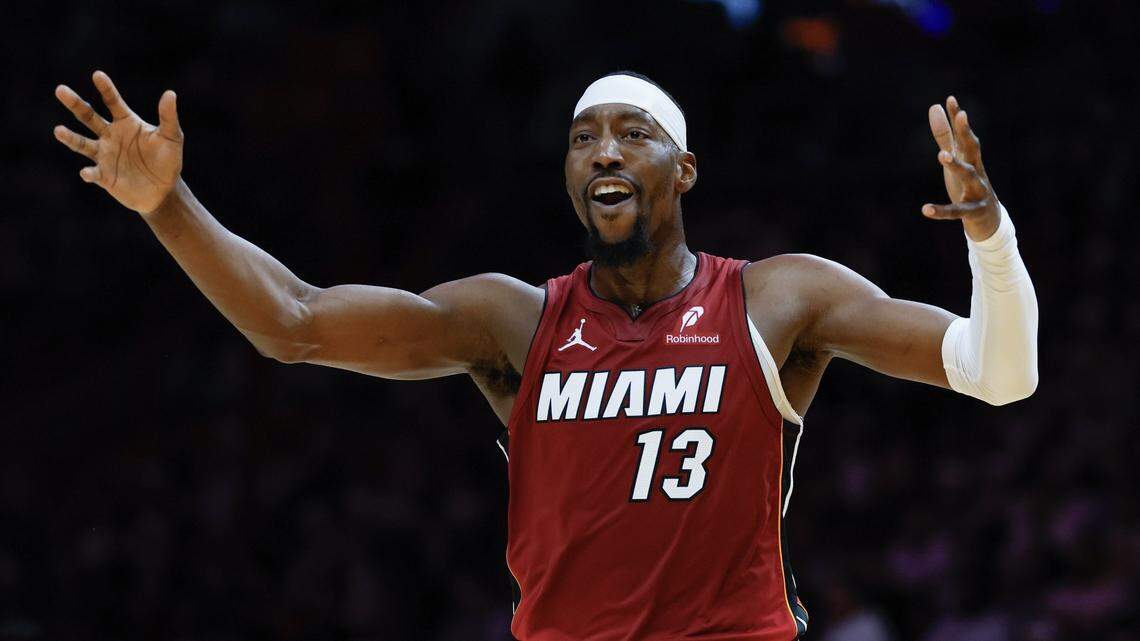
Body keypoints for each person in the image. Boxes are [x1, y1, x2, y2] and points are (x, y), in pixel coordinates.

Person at [52, 69, 1038, 640]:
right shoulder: (516, 322)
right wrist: (167, 206)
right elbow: (294, 320)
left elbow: (1001, 375)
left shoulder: (777, 299)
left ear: (683, 169)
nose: (604, 150)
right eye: (583, 138)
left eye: (633, 133)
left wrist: (989, 238)